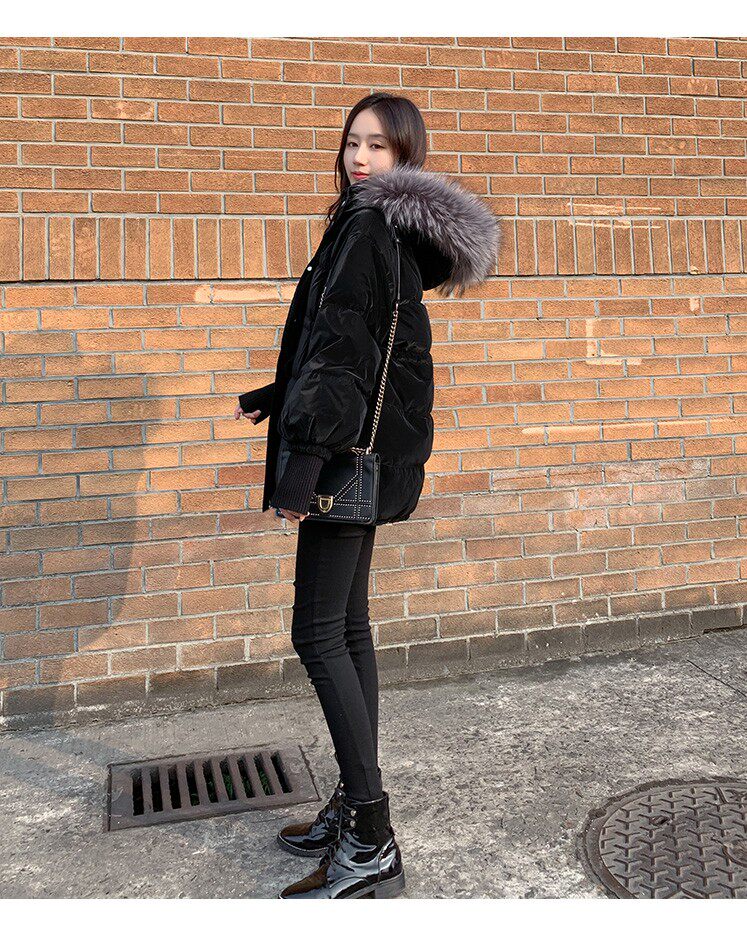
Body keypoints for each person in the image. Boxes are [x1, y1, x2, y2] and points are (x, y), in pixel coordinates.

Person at [234, 92, 499, 899]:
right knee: (348, 628)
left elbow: (345, 356)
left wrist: (303, 465)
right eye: (353, 142)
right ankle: (355, 806)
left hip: (343, 459)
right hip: (369, 453)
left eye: (379, 146)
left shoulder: (366, 225)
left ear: (406, 157)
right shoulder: (387, 229)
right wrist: (280, 393)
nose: (359, 158)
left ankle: (372, 838)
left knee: (317, 633)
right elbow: (359, 345)